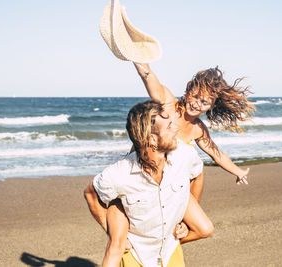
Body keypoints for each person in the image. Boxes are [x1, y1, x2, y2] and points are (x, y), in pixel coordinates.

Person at [84, 100, 212, 267]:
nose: (176, 128)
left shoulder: (185, 155)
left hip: (169, 251)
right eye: (169, 127)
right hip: (136, 255)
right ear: (152, 140)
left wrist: (185, 220)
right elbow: (91, 194)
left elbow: (197, 173)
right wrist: (109, 231)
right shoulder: (119, 174)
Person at [133, 63, 255, 200]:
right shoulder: (168, 103)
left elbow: (216, 154)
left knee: (197, 170)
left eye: (204, 102)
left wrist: (238, 172)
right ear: (189, 90)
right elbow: (148, 76)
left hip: (168, 182)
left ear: (212, 106)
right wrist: (138, 58)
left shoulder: (198, 129)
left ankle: (186, 213)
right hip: (140, 168)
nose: (197, 104)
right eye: (195, 96)